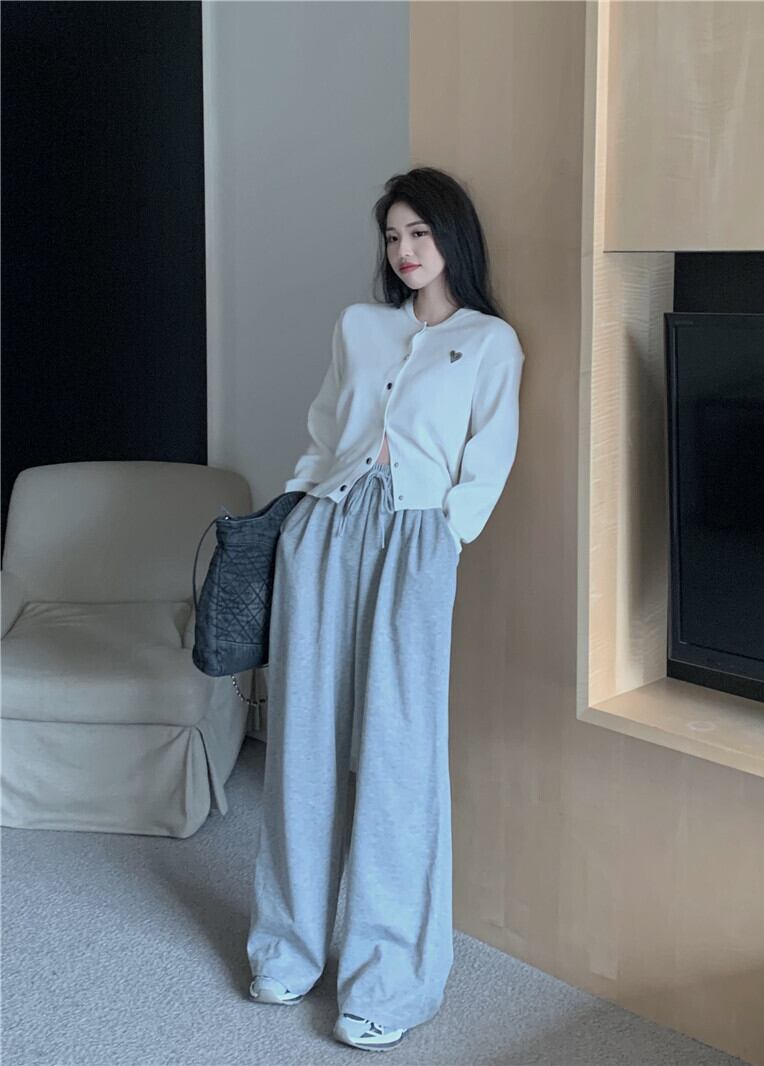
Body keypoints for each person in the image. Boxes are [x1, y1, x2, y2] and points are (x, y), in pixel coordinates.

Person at [246, 166, 525, 1053]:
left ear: (452, 237)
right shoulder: (360, 327)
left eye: (420, 233)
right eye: (394, 235)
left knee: (400, 759)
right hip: (327, 529)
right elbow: (326, 427)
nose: (405, 251)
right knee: (303, 743)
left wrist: (446, 536)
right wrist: (297, 512)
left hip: (416, 540)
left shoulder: (490, 342)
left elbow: (489, 456)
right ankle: (289, 948)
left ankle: (388, 981)